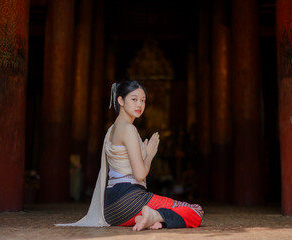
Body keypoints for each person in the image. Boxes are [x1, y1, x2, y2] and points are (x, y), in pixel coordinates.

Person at [56, 80, 203, 230]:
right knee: (196, 211)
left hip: (111, 208)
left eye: (143, 100)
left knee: (158, 213)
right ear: (120, 100)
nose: (139, 105)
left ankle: (148, 218)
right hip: (130, 199)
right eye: (134, 99)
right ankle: (154, 216)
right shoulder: (129, 129)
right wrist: (150, 155)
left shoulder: (112, 129)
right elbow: (140, 175)